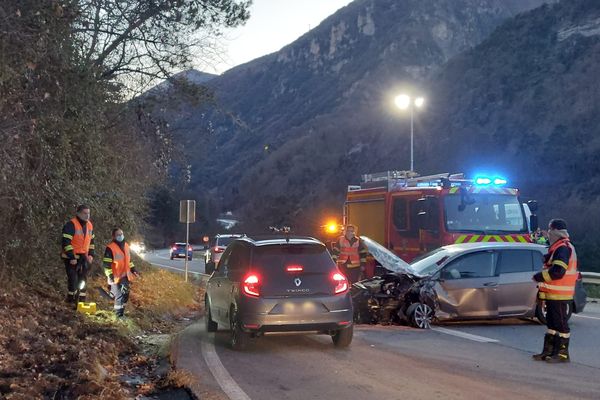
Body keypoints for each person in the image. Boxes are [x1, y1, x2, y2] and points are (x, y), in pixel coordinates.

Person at [532, 219, 578, 363]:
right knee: (551, 324)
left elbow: (558, 271)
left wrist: (539, 277)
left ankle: (562, 354)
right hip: (553, 294)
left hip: (560, 295)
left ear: (556, 231)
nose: (549, 232)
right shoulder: (557, 246)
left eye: (550, 229)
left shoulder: (563, 247)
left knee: (560, 324)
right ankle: (549, 351)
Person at [61, 204, 95, 304]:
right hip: (71, 257)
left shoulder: (89, 225)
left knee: (83, 279)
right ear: (78, 213)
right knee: (73, 279)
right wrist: (71, 256)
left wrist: (91, 255)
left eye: (88, 213)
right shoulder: (71, 225)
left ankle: (81, 300)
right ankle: (71, 300)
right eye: (85, 213)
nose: (87, 215)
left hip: (83, 257)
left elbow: (91, 242)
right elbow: (66, 242)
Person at [103, 228, 139, 318]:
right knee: (119, 295)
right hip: (115, 277)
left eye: (121, 234)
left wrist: (134, 269)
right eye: (118, 235)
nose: (121, 236)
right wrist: (110, 275)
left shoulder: (126, 246)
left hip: (125, 276)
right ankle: (118, 315)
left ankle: (121, 312)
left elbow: (128, 261)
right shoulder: (110, 248)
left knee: (126, 294)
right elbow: (106, 264)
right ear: (114, 236)